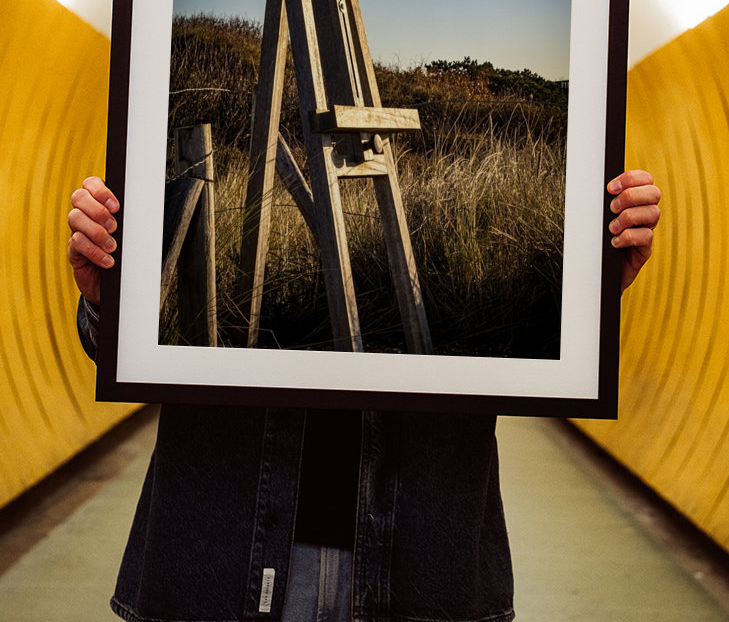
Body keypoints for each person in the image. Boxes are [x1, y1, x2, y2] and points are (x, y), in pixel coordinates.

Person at [68, 170, 661, 622]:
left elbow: (531, 354)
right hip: (219, 557)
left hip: (423, 563)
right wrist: (108, 300)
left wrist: (587, 292)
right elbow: (124, 350)